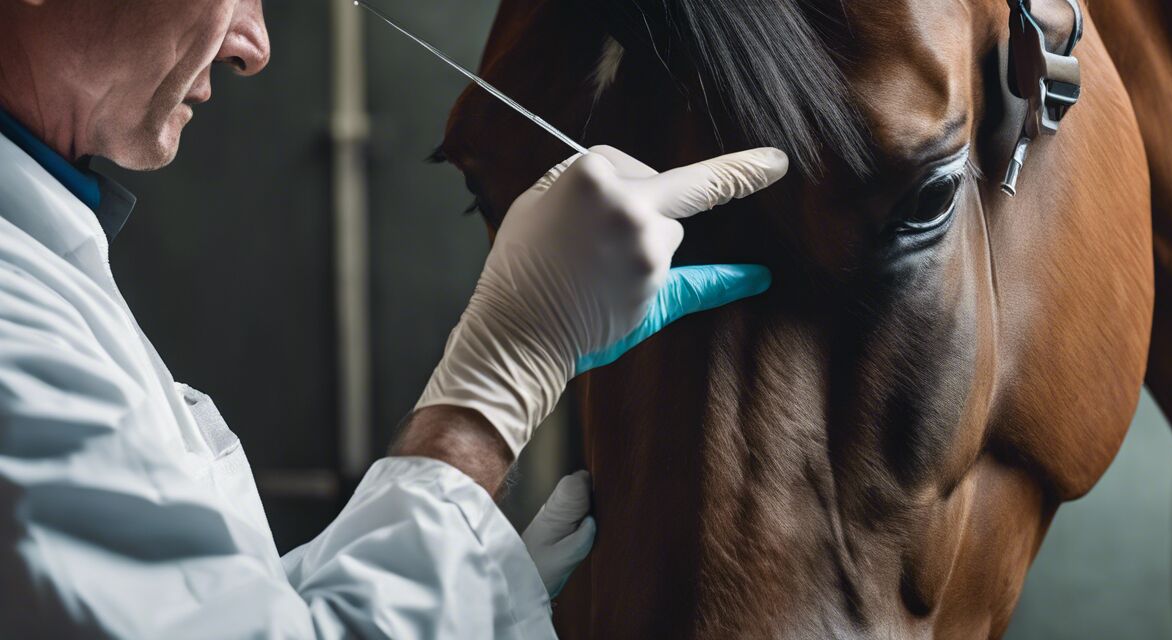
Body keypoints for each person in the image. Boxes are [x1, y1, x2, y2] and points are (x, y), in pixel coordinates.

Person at [0, 1, 787, 637]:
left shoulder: (42, 266)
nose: (254, 45)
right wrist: (493, 384)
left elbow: (222, 613)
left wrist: (483, 593)